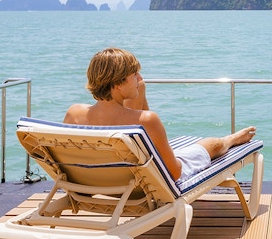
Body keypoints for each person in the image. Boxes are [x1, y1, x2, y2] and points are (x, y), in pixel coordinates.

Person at [63, 47, 257, 182]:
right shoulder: (147, 120)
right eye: (134, 75)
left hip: (93, 182)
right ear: (117, 84)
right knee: (212, 144)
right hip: (138, 185)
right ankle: (231, 139)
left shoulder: (74, 114)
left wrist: (138, 90)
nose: (140, 78)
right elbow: (174, 173)